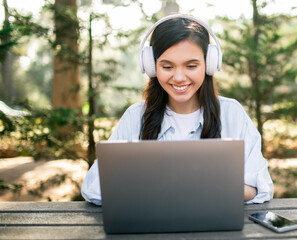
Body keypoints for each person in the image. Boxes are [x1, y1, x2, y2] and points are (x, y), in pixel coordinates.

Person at [81, 14, 273, 206]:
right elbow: (93, 189)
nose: (179, 77)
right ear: (151, 66)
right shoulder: (135, 117)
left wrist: (189, 186)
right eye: (167, 66)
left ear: (209, 64)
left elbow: (260, 187)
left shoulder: (232, 114)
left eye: (191, 65)